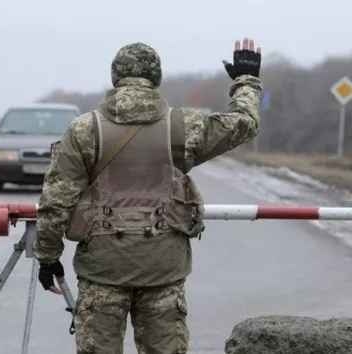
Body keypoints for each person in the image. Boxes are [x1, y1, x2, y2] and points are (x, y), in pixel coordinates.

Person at [34, 38, 262, 354]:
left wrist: (48, 257)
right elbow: (244, 125)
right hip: (163, 268)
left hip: (102, 270)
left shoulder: (84, 130)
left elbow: (55, 201)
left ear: (115, 78)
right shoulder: (183, 126)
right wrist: (245, 80)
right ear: (156, 79)